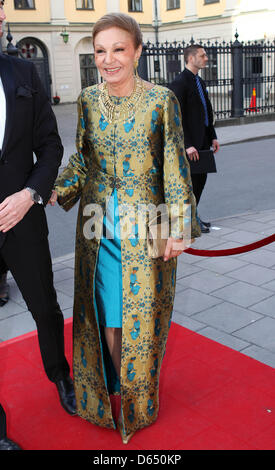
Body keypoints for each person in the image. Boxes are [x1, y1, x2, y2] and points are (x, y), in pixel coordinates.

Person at [51, 13, 200, 444]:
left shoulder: (161, 101)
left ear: (137, 51)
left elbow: (174, 167)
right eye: (100, 51)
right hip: (98, 230)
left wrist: (178, 227)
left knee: (146, 316)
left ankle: (140, 400)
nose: (109, 59)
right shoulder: (87, 100)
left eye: (118, 49)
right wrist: (52, 191)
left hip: (148, 225)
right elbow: (82, 158)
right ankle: (116, 389)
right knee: (109, 316)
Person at [0, 0, 76, 422]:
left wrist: (31, 192)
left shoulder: (24, 72)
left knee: (45, 306)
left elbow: (49, 145)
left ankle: (60, 376)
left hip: (24, 215)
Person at [169, 44, 220, 233]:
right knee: (191, 184)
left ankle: (193, 216)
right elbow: (176, 117)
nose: (206, 58)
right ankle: (187, 222)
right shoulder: (180, 83)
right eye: (203, 55)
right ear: (191, 58)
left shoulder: (200, 82)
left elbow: (206, 112)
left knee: (201, 181)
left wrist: (213, 137)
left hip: (203, 142)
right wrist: (187, 144)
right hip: (190, 146)